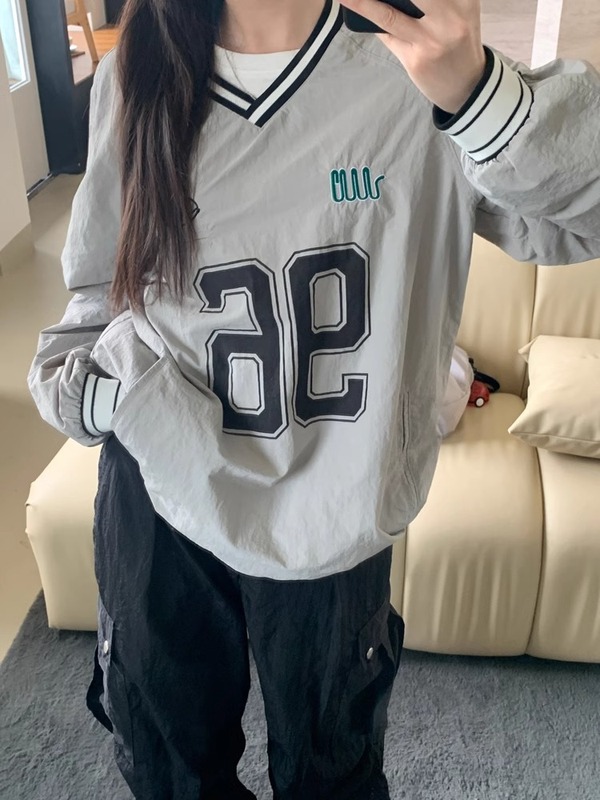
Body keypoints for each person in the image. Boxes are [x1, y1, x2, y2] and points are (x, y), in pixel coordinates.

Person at [28, 0, 600, 797]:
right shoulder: (136, 70)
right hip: (160, 490)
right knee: (167, 768)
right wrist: (88, 389)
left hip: (337, 514)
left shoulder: (417, 68)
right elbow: (100, 286)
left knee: (333, 774)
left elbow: (584, 215)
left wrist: (478, 96)